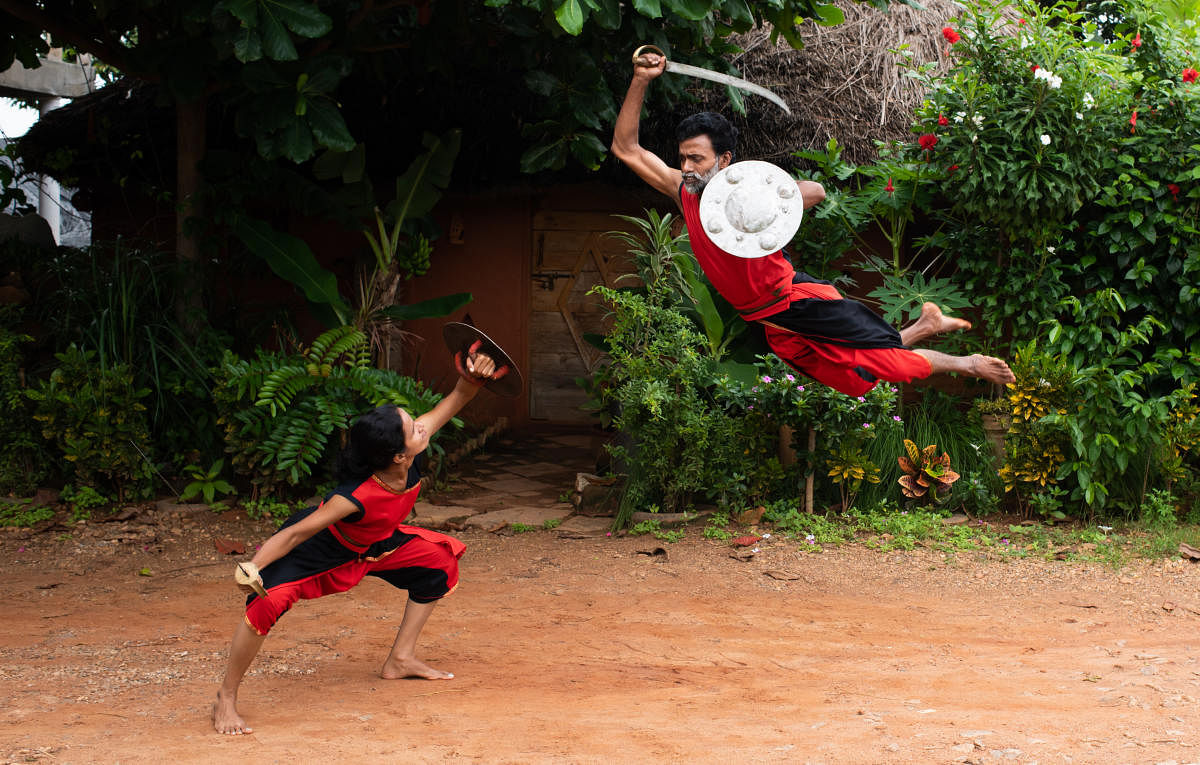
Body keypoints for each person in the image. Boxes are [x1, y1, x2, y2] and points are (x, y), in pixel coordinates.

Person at [610, 51, 1015, 396]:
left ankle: (969, 363)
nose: (686, 167)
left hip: (797, 302)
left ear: (725, 160)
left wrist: (755, 199)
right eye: (682, 158)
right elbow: (625, 148)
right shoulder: (685, 194)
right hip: (770, 321)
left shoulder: (750, 195)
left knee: (890, 364)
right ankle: (925, 326)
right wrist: (641, 80)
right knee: (857, 383)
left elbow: (816, 191)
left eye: (696, 159)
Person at [212, 346, 505, 735]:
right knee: (267, 603)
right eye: (412, 427)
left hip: (376, 545)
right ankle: (226, 699)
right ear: (398, 456)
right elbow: (298, 531)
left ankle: (400, 659)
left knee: (439, 562)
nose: (421, 426)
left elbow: (459, 397)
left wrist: (475, 373)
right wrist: (255, 566)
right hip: (322, 553)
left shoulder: (409, 449)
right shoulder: (353, 497)